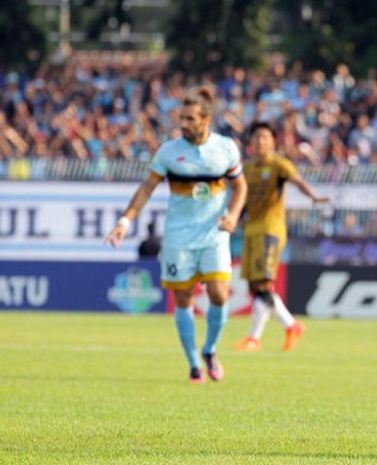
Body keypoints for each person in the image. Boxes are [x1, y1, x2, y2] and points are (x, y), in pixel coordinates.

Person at [105, 86, 247, 383]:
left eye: (190, 119)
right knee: (183, 298)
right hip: (179, 238)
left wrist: (233, 215)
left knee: (219, 293)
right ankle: (194, 363)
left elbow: (240, 187)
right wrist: (125, 221)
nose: (183, 124)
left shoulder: (225, 149)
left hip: (214, 234)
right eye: (181, 118)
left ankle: (210, 349)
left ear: (206, 119)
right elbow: (147, 188)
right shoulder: (169, 152)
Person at [234, 121, 329, 352]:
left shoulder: (279, 165)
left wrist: (314, 197)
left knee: (265, 284)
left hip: (270, 230)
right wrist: (234, 218)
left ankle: (255, 338)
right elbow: (240, 198)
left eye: (265, 137)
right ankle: (290, 326)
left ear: (273, 141)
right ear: (250, 143)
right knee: (256, 287)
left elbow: (298, 182)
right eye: (256, 138)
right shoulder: (246, 169)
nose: (260, 142)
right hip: (251, 231)